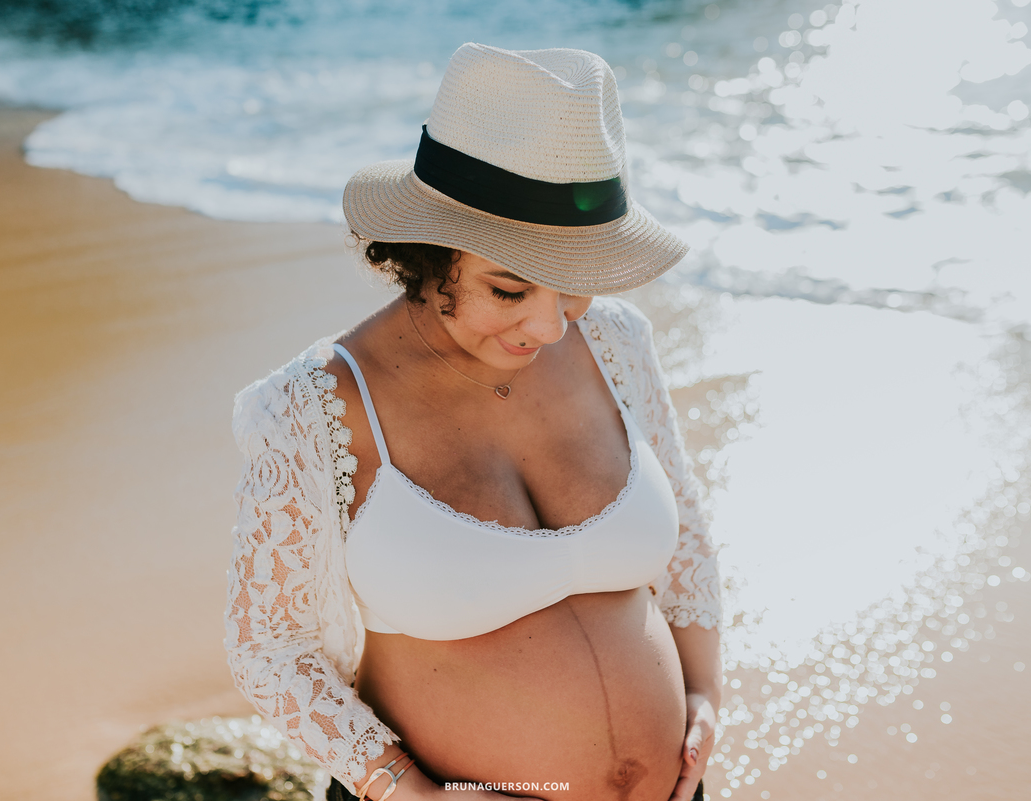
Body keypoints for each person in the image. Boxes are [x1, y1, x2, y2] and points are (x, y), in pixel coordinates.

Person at [225, 43, 723, 801]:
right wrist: (410, 796)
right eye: (512, 288)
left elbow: (684, 531)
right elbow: (272, 649)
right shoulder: (317, 405)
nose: (552, 327)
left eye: (575, 287)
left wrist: (704, 697)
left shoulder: (616, 343)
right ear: (430, 253)